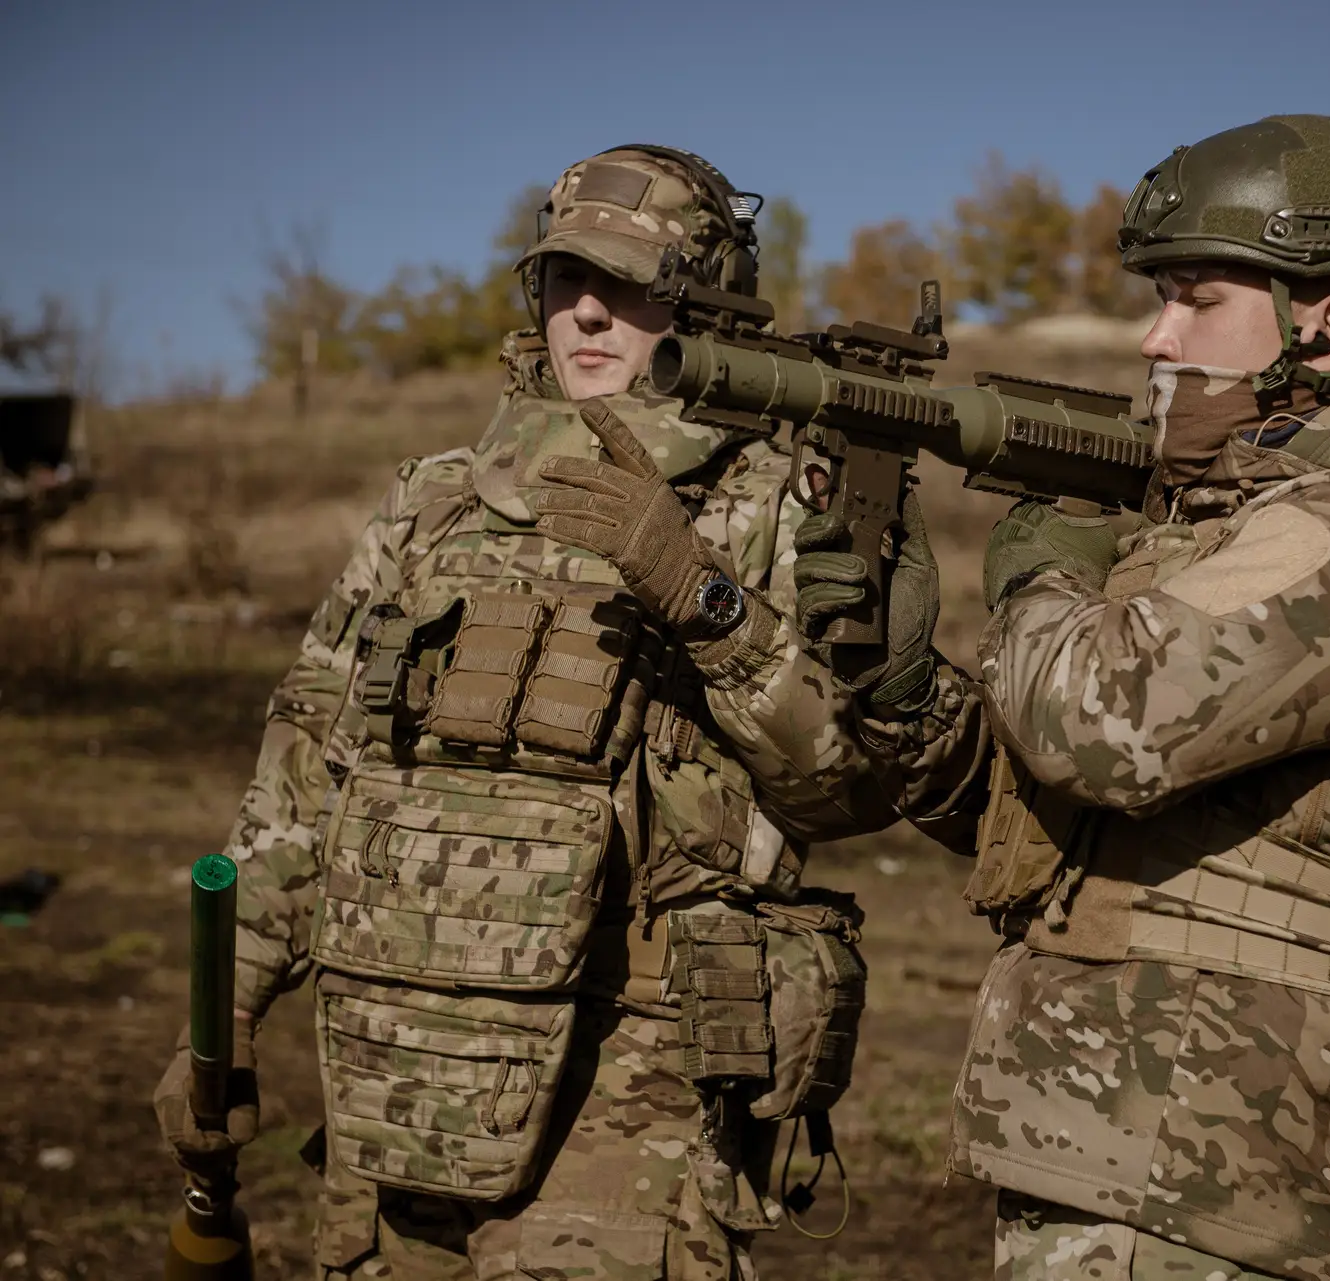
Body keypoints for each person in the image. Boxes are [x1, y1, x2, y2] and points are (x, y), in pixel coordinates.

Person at [153, 144, 931, 1280]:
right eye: (568, 279)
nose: (591, 314)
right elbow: (307, 772)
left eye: (630, 284)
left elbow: (853, 784)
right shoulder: (433, 502)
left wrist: (703, 599)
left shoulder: (784, 505)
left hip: (635, 1067)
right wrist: (219, 1008)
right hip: (399, 1049)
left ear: (706, 300)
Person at [796, 114, 1330, 1280]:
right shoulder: (1230, 543)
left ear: (1325, 332)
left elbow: (1095, 732)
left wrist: (1040, 567)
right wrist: (902, 683)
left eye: (1196, 301)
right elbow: (1033, 815)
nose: (1154, 337)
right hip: (1122, 1176)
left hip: (1212, 1198)